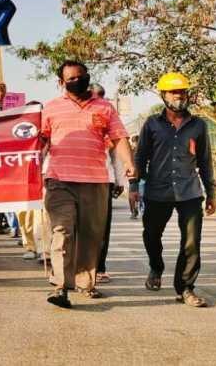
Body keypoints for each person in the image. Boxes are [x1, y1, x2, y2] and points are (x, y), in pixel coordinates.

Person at [40, 60, 136, 308]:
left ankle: (85, 282)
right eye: (71, 78)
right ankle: (60, 287)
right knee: (62, 231)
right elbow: (41, 142)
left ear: (87, 76)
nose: (77, 81)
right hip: (59, 180)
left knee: (91, 236)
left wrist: (129, 163)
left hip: (95, 181)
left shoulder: (105, 108)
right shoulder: (50, 108)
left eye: (81, 76)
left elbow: (119, 137)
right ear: (61, 83)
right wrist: (30, 167)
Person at [130, 73, 216, 308]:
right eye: (174, 92)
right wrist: (134, 186)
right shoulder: (152, 124)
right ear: (164, 95)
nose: (179, 96)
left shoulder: (198, 125)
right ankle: (156, 267)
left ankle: (185, 287)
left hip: (190, 192)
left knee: (191, 242)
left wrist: (212, 193)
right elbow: (140, 156)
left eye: (183, 92)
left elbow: (205, 161)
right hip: (157, 191)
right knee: (151, 235)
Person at [89, 83, 125, 285]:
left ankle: (100, 268)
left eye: (102, 95)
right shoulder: (78, 115)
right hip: (79, 179)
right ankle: (81, 267)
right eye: (96, 95)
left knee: (102, 227)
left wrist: (119, 179)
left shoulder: (109, 115)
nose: (99, 99)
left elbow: (116, 151)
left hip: (105, 180)